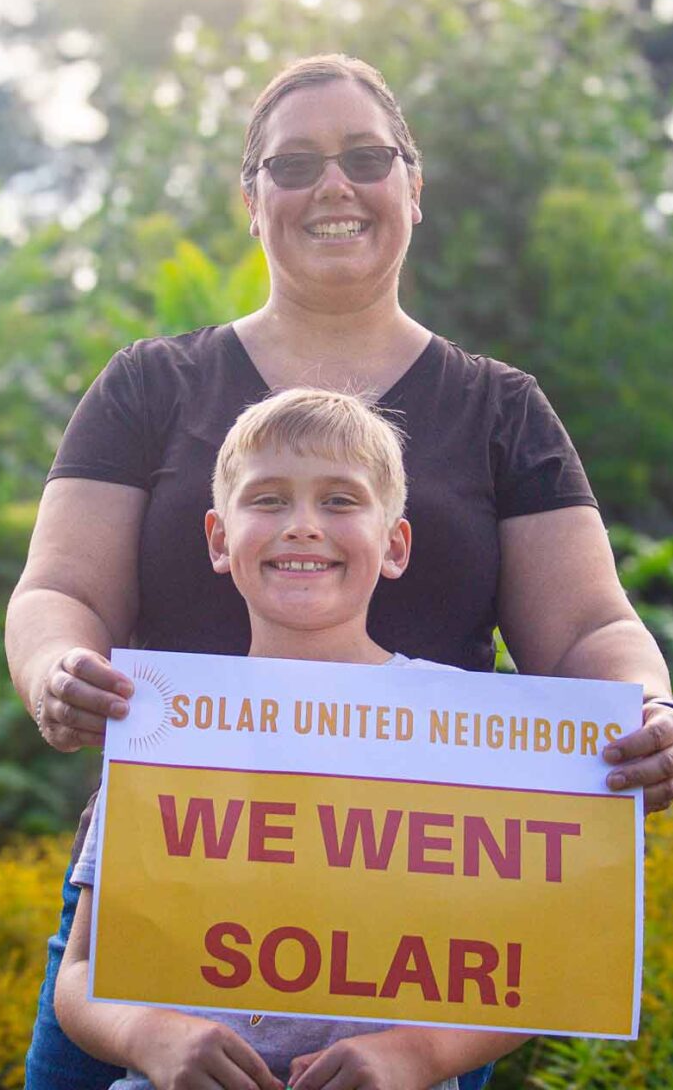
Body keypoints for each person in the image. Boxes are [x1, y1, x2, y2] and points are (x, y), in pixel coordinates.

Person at [7, 53, 673, 1090]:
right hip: (166, 896)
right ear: (253, 203)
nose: (333, 185)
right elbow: (61, 592)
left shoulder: (502, 409)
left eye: (366, 157)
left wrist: (644, 714)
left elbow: (591, 628)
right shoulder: (152, 385)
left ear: (412, 188)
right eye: (294, 165)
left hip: (424, 928)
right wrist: (57, 669)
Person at [56, 387, 533, 1090]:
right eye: (269, 500)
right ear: (220, 540)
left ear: (394, 544)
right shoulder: (165, 723)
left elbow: (532, 968)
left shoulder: (467, 733)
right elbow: (82, 972)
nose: (303, 526)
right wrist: (151, 1036)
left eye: (340, 501)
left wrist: (418, 1055)